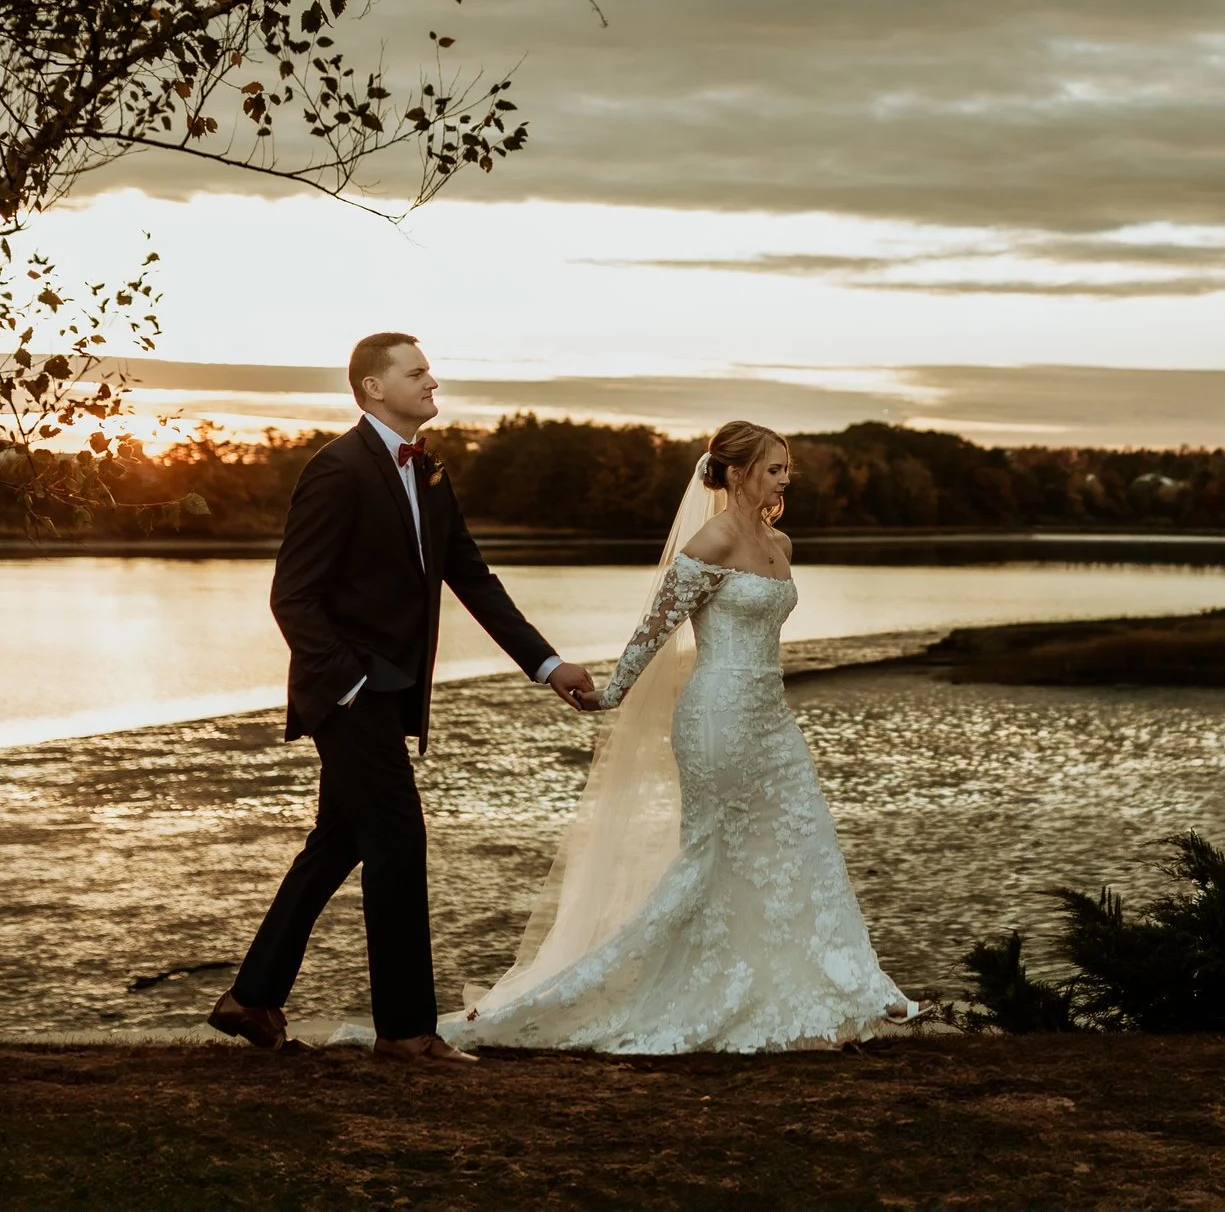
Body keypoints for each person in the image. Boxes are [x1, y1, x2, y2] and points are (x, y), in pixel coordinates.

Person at [444, 419, 924, 1052]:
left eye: (786, 468)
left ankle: (834, 981)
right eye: (774, 468)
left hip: (771, 717)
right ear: (737, 472)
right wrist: (612, 691)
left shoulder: (780, 541)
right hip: (717, 716)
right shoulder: (711, 541)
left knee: (802, 839)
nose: (785, 479)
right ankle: (683, 990)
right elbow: (656, 626)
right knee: (714, 852)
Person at [207, 332, 595, 1065]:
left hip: (391, 692)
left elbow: (472, 577)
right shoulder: (336, 468)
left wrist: (546, 664)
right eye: (417, 372)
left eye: (430, 372)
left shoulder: (430, 472)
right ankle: (406, 1031)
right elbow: (293, 596)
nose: (431, 381)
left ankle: (252, 997)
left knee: (340, 840)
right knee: (398, 842)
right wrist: (349, 684)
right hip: (350, 695)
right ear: (373, 387)